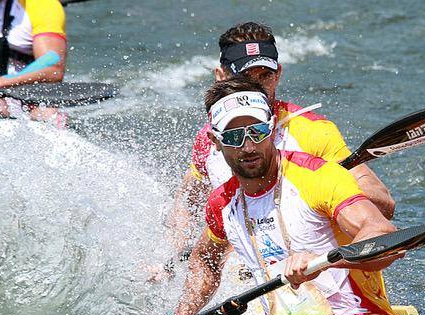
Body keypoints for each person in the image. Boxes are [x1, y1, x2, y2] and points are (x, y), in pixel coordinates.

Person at [147, 77, 402, 315]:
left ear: (271, 128)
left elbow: (385, 236)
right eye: (234, 137)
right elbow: (205, 262)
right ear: (215, 141)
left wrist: (326, 260)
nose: (248, 147)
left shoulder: (319, 176)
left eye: (257, 132)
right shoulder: (222, 204)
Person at [156, 21, 394, 280]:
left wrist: (329, 184)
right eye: (246, 78)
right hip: (249, 266)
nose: (257, 86)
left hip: (313, 269)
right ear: (221, 77)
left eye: (265, 76)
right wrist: (171, 258)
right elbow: (187, 201)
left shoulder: (312, 131)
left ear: (278, 73)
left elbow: (384, 204)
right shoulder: (211, 137)